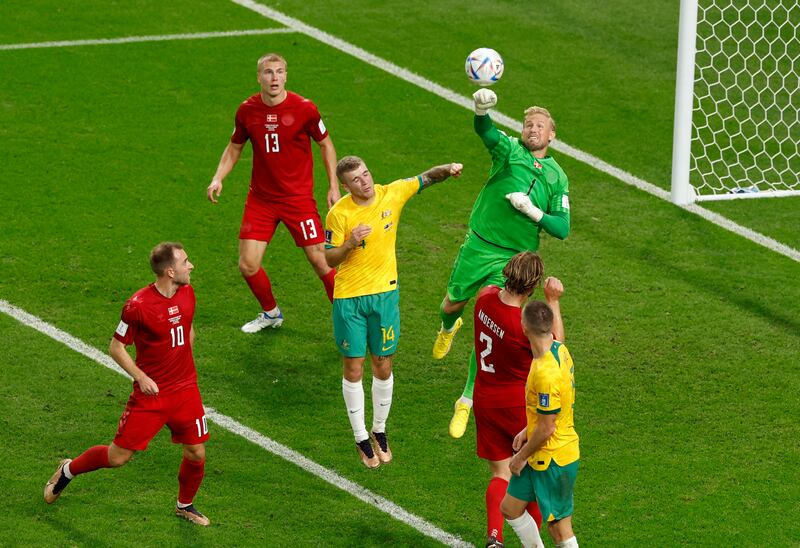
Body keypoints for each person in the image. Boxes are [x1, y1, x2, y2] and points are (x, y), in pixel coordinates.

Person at [432, 88, 571, 439]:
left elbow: (563, 228)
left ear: (552, 134)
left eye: (539, 125)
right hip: (480, 245)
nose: (532, 129)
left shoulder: (557, 177)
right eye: (527, 124)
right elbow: (487, 132)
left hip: (514, 260)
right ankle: (448, 327)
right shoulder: (509, 152)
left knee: (491, 321)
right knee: (452, 304)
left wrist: (533, 211)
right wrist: (481, 110)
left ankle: (465, 400)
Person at [43, 243, 211, 526]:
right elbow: (116, 347)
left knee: (196, 451)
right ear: (170, 271)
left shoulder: (188, 293)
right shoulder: (138, 306)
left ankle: (185, 505)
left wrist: (184, 363)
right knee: (117, 457)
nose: (191, 265)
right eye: (185, 261)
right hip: (152, 396)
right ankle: (67, 470)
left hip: (185, 390)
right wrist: (141, 377)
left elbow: (187, 327)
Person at [325, 156, 463, 468]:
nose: (365, 181)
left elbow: (426, 176)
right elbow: (329, 259)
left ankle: (380, 429)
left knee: (383, 363)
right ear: (346, 187)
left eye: (366, 173)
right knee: (354, 367)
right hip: (349, 298)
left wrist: (449, 169)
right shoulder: (339, 214)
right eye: (357, 180)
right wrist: (349, 244)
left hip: (385, 297)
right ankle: (361, 435)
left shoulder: (392, 194)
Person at [207, 52, 340, 333]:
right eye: (268, 72)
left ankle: (347, 320)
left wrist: (333, 185)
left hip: (298, 200)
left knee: (321, 261)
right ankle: (271, 314)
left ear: (286, 76)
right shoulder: (247, 110)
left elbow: (325, 144)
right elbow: (235, 147)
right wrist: (218, 177)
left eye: (279, 72)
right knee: (248, 264)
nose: (274, 77)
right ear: (259, 77)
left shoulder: (305, 109)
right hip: (262, 200)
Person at [472, 251, 565, 548]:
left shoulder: (484, 299)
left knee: (501, 473)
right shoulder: (520, 326)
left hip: (485, 399)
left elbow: (489, 292)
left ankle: (495, 538)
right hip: (517, 407)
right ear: (533, 286)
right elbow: (557, 348)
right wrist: (553, 301)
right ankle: (531, 543)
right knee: (534, 477)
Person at [501, 300, 580, 548]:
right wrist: (527, 430)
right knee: (510, 508)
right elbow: (548, 416)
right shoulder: (558, 349)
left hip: (554, 457)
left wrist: (520, 457)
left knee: (559, 528)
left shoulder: (545, 374)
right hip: (541, 451)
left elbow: (548, 428)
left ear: (524, 326)